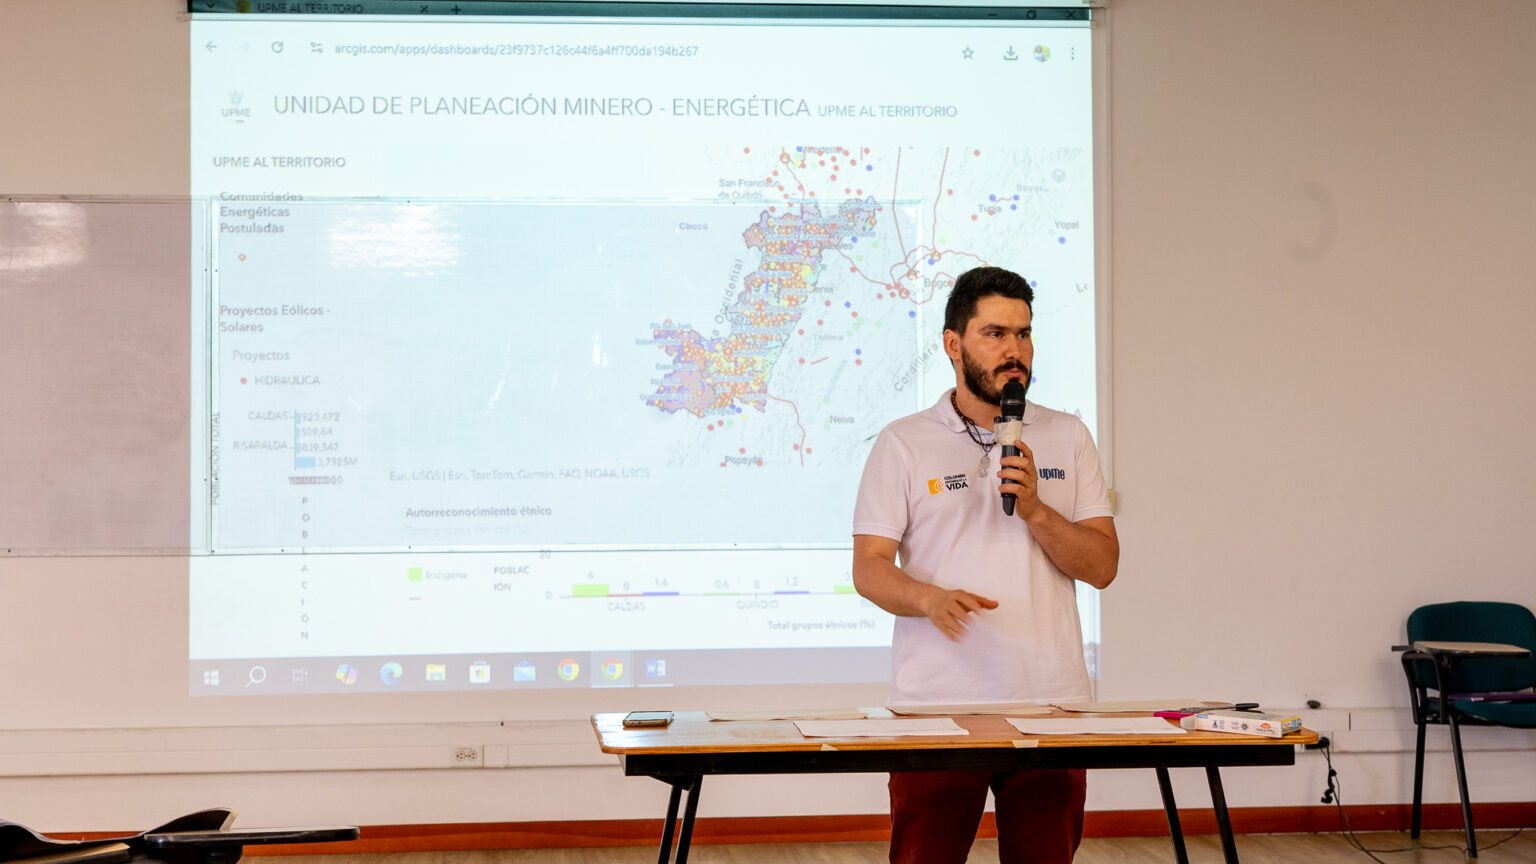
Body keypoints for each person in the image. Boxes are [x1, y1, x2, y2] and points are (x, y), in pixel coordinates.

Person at [851, 266, 1119, 864]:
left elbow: (1102, 566)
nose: (1013, 350)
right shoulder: (903, 442)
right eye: (995, 334)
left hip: (1051, 705)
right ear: (954, 344)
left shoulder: (1069, 435)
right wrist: (928, 599)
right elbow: (869, 567)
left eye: (1023, 334)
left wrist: (1037, 510)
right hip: (936, 709)